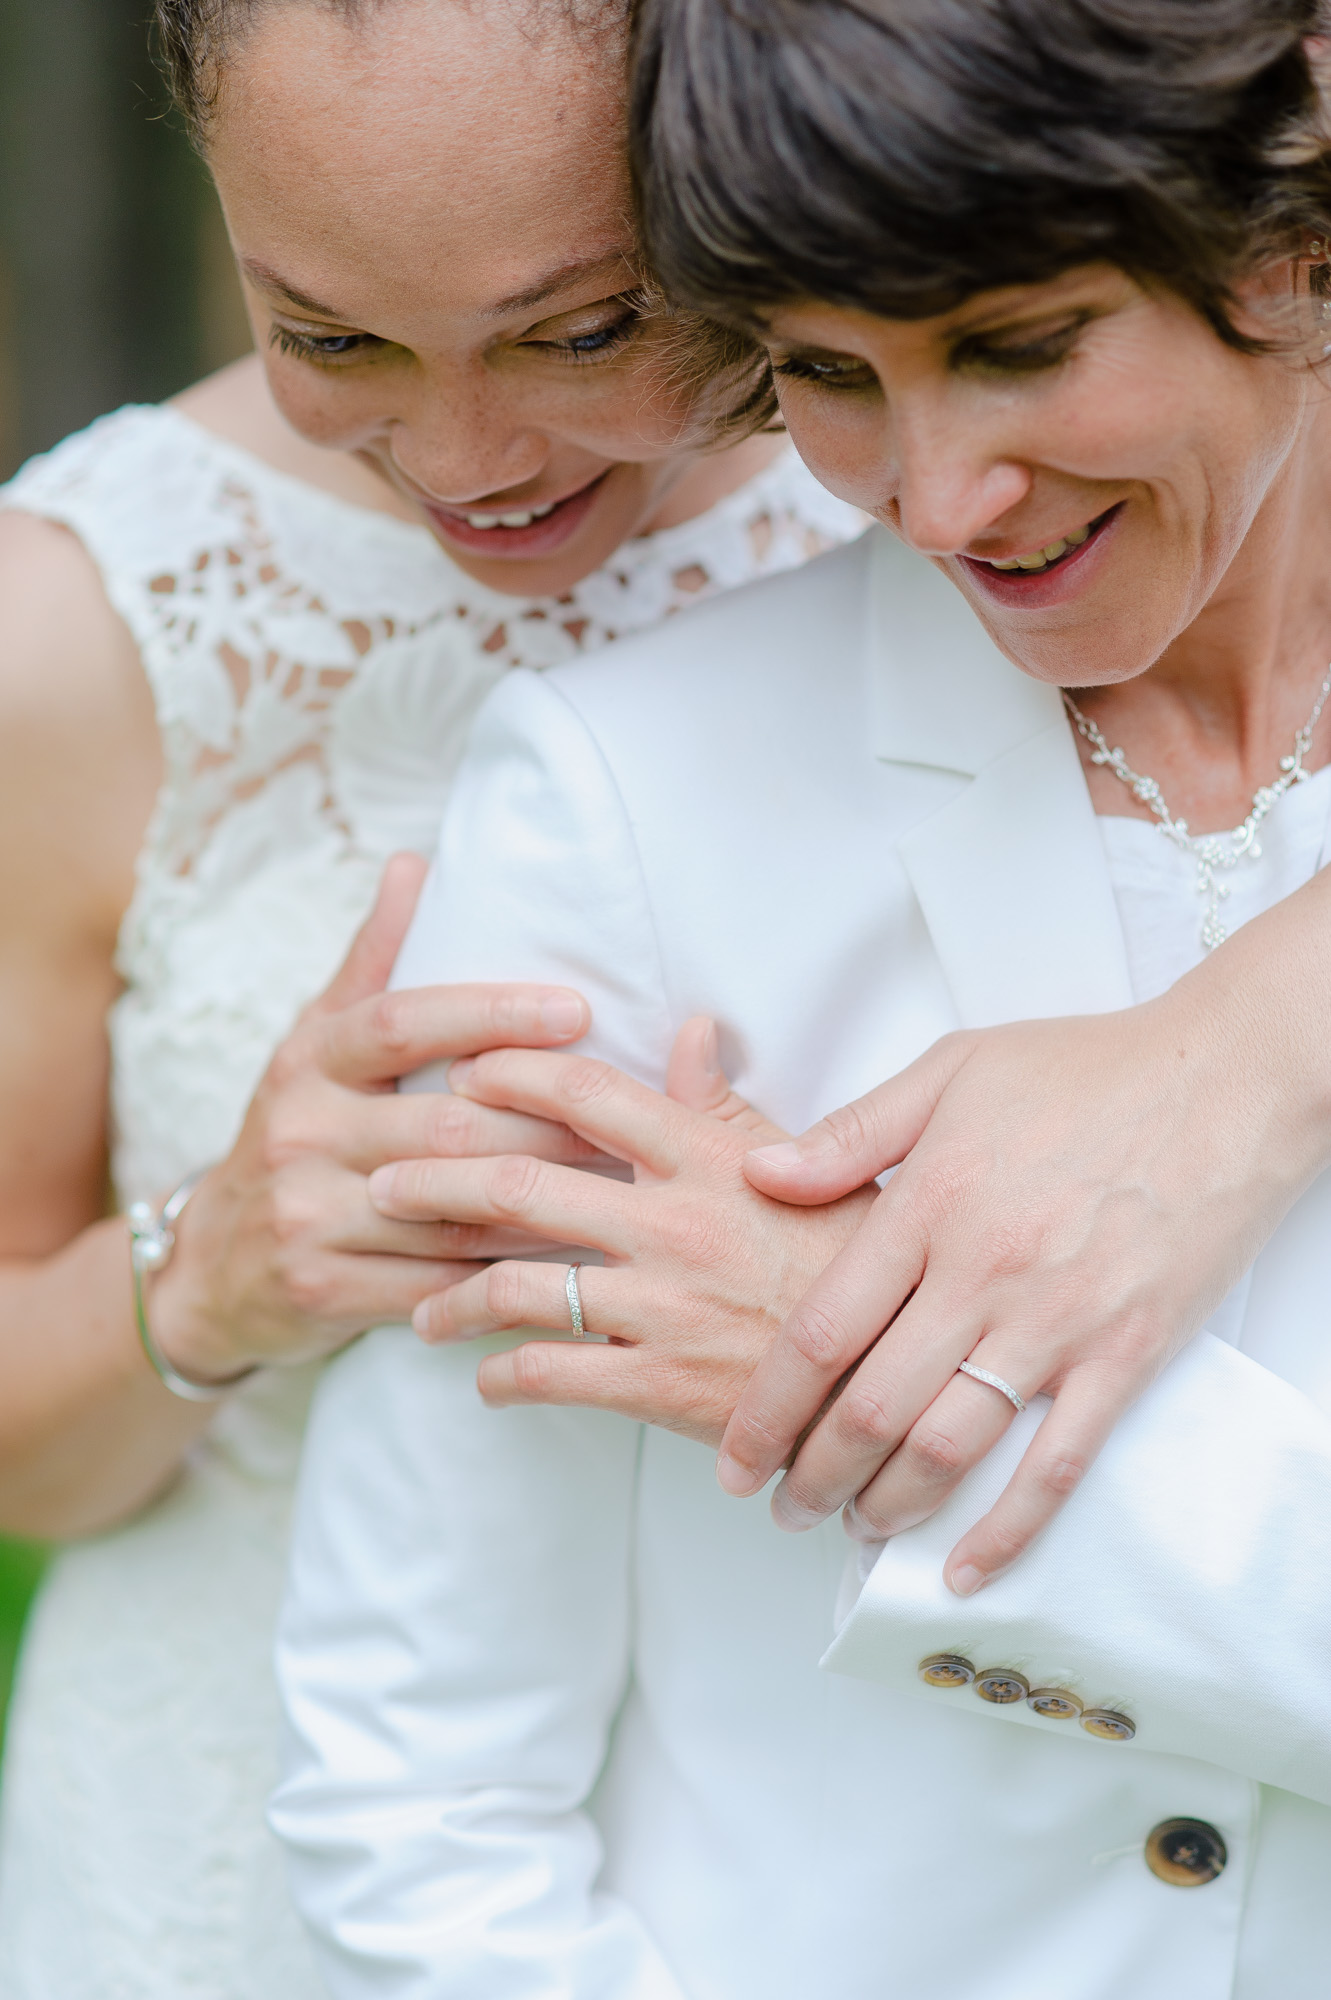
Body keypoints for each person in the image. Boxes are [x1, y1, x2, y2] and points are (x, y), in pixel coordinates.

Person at [274, 2, 1331, 1994]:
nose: (933, 502)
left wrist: (904, 1396)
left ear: (1297, 234)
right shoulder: (622, 798)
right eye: (831, 375)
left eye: (1021, 343)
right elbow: (414, 1783)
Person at [0, 2, 865, 1993]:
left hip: (869, 1859)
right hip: (232, 1887)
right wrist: (210, 1273)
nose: (472, 458)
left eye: (583, 328)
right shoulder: (75, 627)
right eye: (334, 336)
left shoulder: (984, 506)